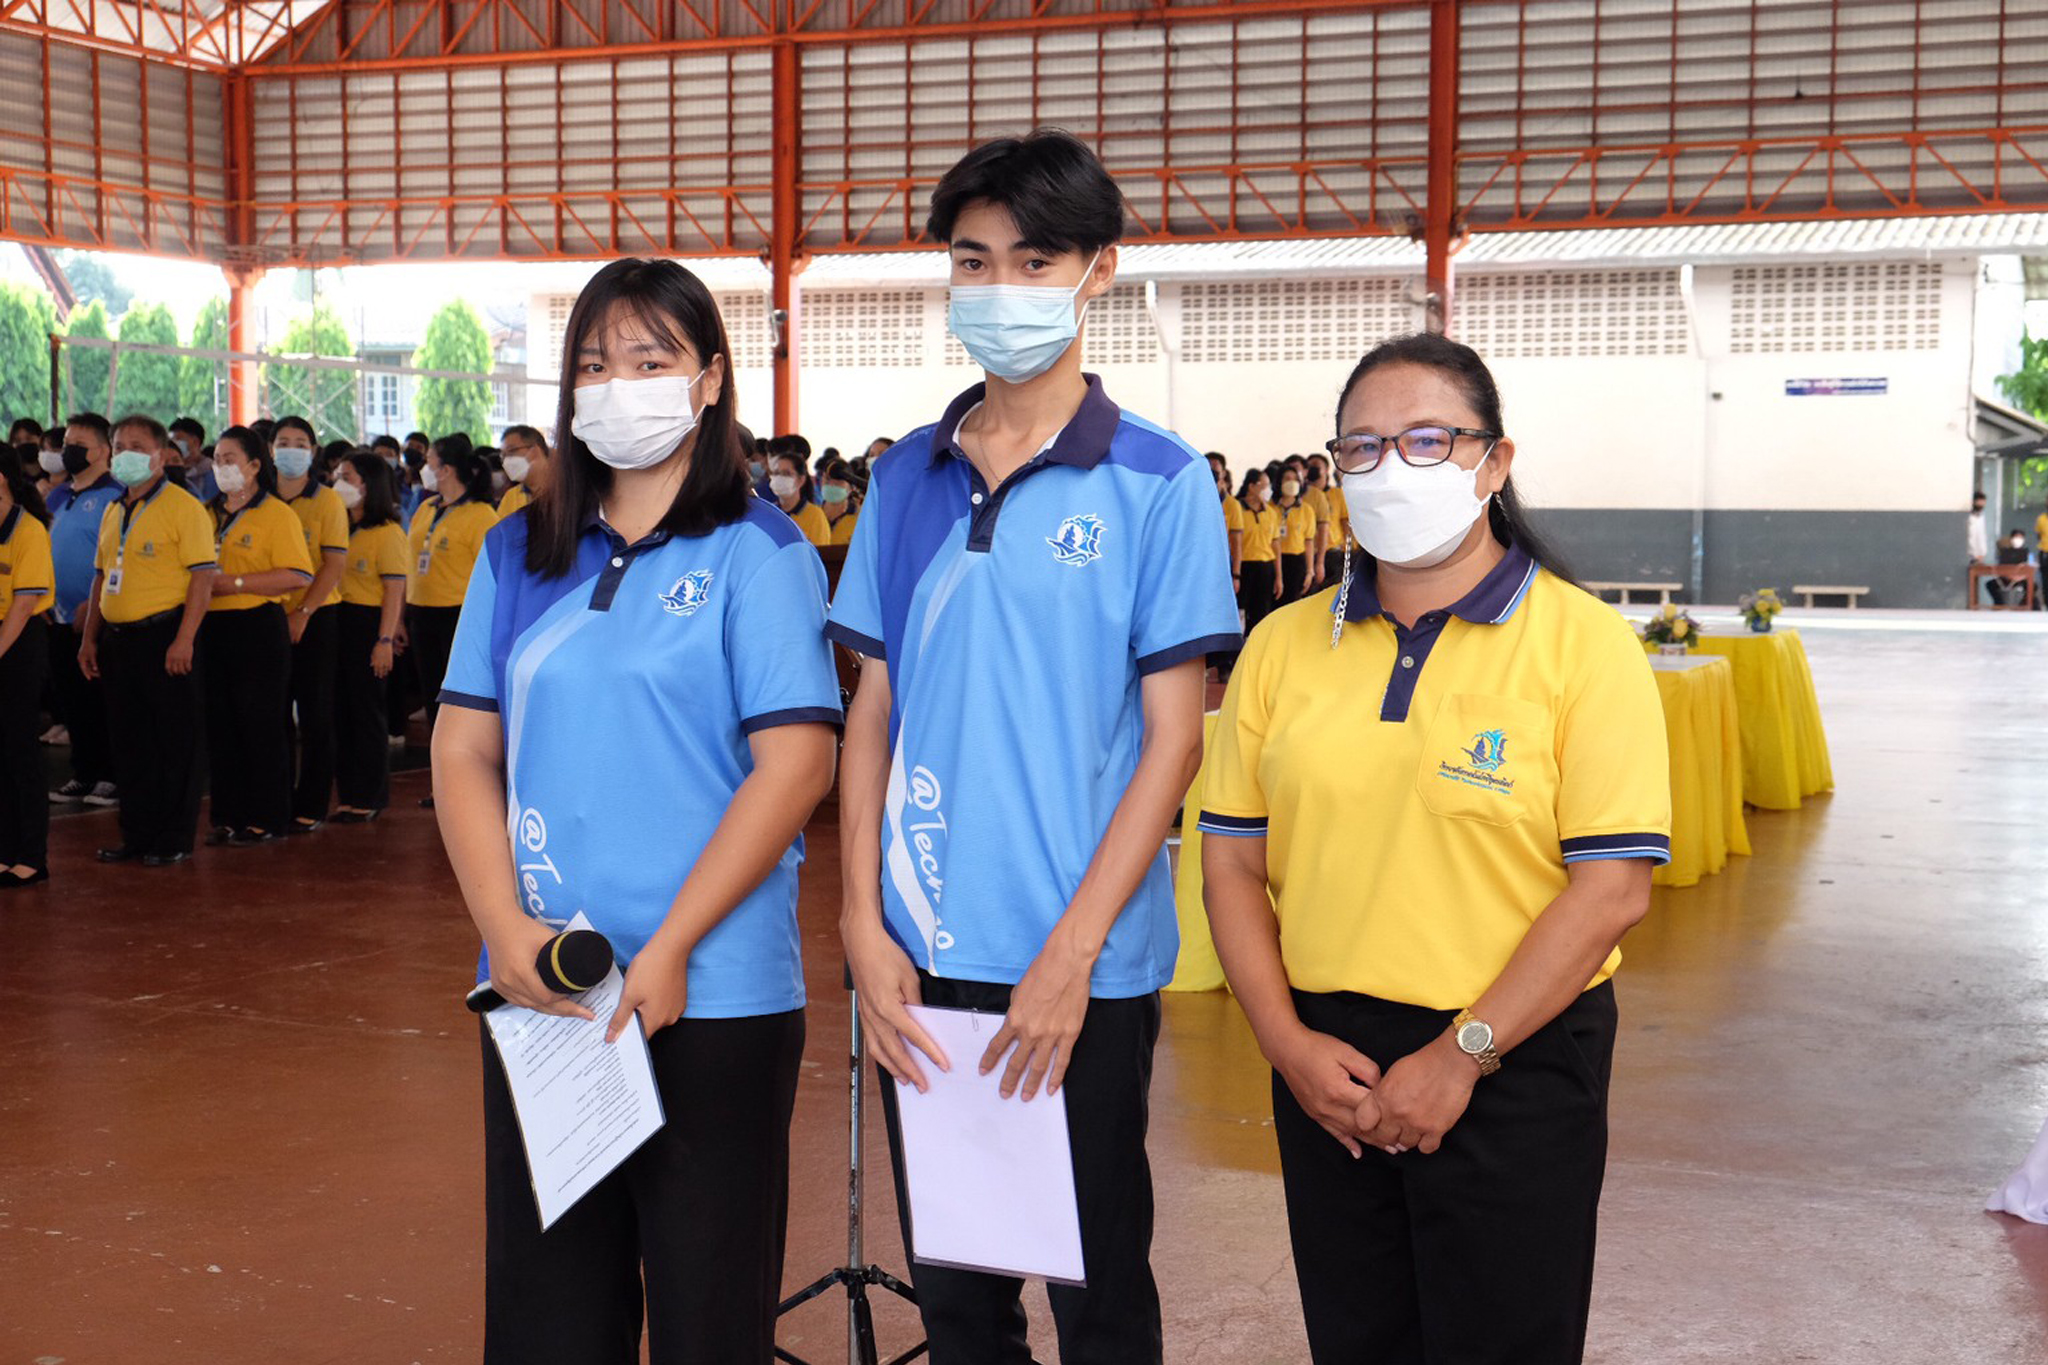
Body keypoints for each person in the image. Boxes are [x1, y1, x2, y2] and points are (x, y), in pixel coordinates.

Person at [829, 130, 1239, 1365]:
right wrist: (857, 920)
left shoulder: (1158, 483)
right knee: (956, 1298)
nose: (998, 287)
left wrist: (1070, 955)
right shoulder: (905, 477)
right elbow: (871, 714)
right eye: (972, 259)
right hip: (922, 951)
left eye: (1033, 258)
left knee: (1096, 1288)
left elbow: (1174, 739)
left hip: (1083, 965)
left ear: (1095, 272)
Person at [1200, 332, 1671, 1365]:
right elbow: (1230, 862)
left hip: (1512, 1052)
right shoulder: (1281, 644)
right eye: (1361, 449)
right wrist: (1283, 1044)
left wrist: (1461, 1056)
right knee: (1357, 1335)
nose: (1389, 469)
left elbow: (1608, 892)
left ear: (1493, 464)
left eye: (1425, 441)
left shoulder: (1581, 645)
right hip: (1327, 1064)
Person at [434, 257, 839, 1365]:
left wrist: (669, 948)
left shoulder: (760, 552)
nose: (621, 385)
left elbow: (795, 764)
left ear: (707, 380)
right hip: (549, 990)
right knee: (548, 1314)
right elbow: (463, 746)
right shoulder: (518, 550)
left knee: (710, 1313)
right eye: (596, 364)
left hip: (709, 997)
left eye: (651, 360)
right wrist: (506, 936)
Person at [77, 415, 218, 867]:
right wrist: (89, 638)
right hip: (119, 640)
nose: (125, 453)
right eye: (119, 445)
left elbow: (202, 577)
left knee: (174, 741)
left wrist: (185, 639)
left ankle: (173, 837)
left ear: (160, 455)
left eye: (137, 445)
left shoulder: (184, 506)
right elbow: (101, 577)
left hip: (165, 634)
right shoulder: (115, 508)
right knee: (129, 740)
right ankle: (136, 834)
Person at [201, 426, 314, 846]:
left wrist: (238, 582)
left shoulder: (276, 513)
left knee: (260, 723)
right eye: (217, 459)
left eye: (231, 459)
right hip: (212, 627)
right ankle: (228, 814)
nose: (222, 467)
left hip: (256, 627)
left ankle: (268, 815)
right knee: (221, 722)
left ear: (253, 466)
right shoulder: (208, 512)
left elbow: (299, 573)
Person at [271, 416, 351, 831]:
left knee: (316, 712)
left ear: (312, 450)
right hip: (265, 616)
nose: (290, 449)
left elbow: (333, 564)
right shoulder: (260, 498)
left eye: (299, 442)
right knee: (273, 711)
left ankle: (312, 803)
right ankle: (276, 798)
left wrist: (303, 613)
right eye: (283, 442)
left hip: (316, 616)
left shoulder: (327, 500)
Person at [405, 432, 498, 763]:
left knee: (459, 699)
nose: (424, 467)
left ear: (445, 469)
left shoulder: (481, 515)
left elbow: (492, 576)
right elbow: (410, 559)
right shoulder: (426, 506)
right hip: (420, 613)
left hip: (458, 616)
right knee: (431, 696)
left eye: (429, 461)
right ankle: (439, 775)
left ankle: (467, 768)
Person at [45, 414, 123, 808]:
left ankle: (110, 774)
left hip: (96, 614)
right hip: (54, 613)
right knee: (70, 697)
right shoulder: (59, 494)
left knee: (99, 696)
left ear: (103, 451)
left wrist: (93, 605)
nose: (68, 451)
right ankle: (84, 771)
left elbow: (114, 559)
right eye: (66, 444)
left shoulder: (116, 495)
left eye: (79, 444)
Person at [330, 451, 409, 821]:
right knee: (341, 711)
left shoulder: (388, 532)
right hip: (336, 622)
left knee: (366, 712)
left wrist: (385, 640)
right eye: (338, 474)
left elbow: (394, 590)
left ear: (369, 485)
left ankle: (369, 796)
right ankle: (348, 793)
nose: (339, 482)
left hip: (368, 624)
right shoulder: (340, 525)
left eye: (348, 476)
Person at [0, 457, 54, 888]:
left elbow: (23, 604)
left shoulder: (28, 530)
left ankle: (32, 855)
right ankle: (5, 849)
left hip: (17, 644)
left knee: (20, 748)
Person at [1236, 466, 1282, 638]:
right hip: (1243, 567)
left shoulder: (1271, 512)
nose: (1268, 490)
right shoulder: (1237, 508)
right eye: (1264, 485)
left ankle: (1255, 644)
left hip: (1265, 567)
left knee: (1261, 611)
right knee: (1240, 611)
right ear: (1252, 486)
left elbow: (1276, 545)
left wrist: (1279, 577)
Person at [768, 448, 831, 547]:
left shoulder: (815, 516)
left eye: (786, 473)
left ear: (801, 480)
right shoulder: (770, 512)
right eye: (776, 473)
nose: (779, 478)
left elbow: (821, 554)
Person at [1273, 462, 1314, 605]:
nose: (1291, 482)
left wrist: (1310, 570)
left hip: (1296, 562)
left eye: (1295, 479)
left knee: (1292, 603)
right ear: (1279, 482)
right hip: (1273, 560)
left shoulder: (1306, 510)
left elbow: (1309, 541)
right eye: (1287, 479)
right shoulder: (1270, 508)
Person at [495, 424, 551, 519]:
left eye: (512, 451)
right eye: (503, 456)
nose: (506, 460)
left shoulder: (566, 490)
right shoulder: (511, 498)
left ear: (535, 450)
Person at [817, 457, 860, 545]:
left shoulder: (859, 519)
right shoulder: (814, 515)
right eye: (828, 479)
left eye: (838, 481)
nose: (832, 484)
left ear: (851, 487)